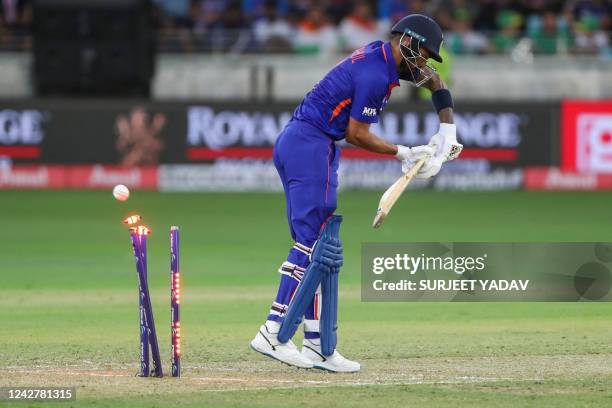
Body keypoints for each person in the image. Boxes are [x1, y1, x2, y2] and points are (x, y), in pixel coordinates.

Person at [250, 14, 462, 373]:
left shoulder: (383, 58)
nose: (425, 64)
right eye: (423, 54)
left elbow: (434, 80)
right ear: (407, 43)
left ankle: (318, 346)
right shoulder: (375, 74)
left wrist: (448, 131)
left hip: (308, 144)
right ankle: (272, 330)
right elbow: (358, 134)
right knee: (310, 243)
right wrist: (404, 153)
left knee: (321, 247)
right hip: (310, 144)